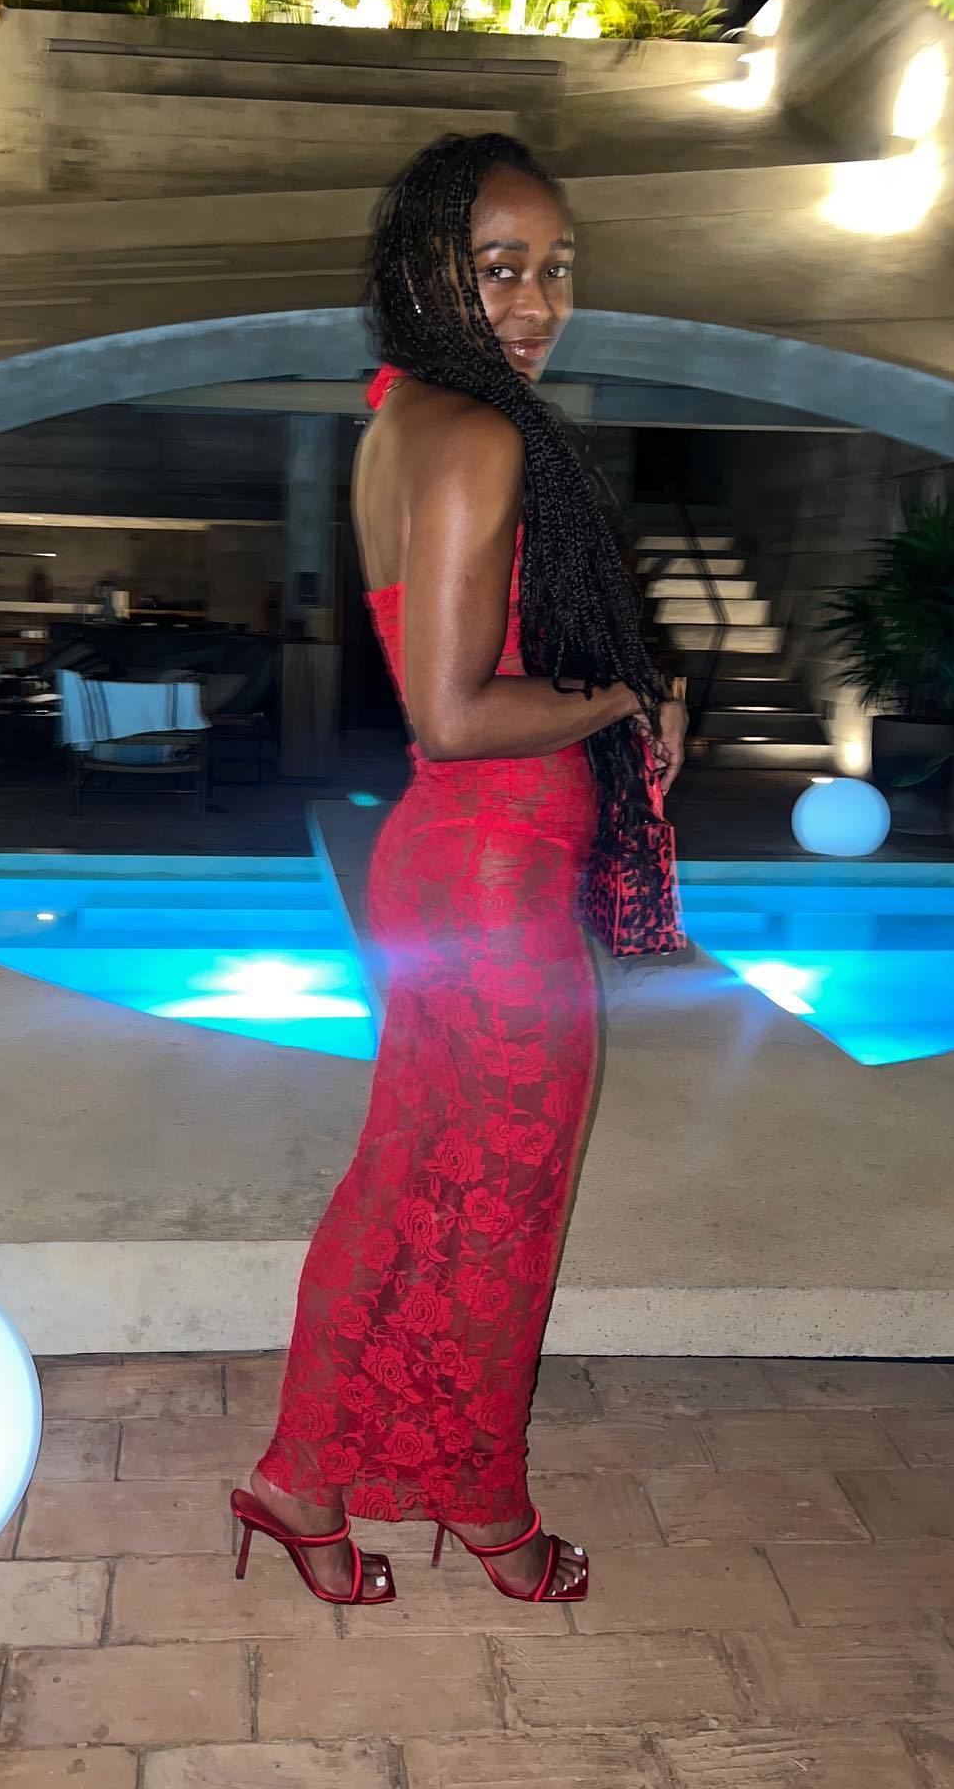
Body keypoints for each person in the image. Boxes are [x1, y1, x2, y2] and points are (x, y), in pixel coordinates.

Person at [232, 134, 687, 1607]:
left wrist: (604, 706)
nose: (537, 303)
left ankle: (301, 1479)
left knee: (406, 1179)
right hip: (490, 884)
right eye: (499, 269)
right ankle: (487, 1506)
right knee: (500, 1213)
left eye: (556, 269)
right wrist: (623, 695)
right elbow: (453, 712)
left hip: (452, 870)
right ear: (431, 269)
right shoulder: (477, 434)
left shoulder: (402, 416)